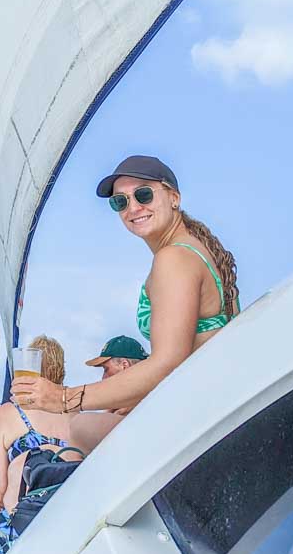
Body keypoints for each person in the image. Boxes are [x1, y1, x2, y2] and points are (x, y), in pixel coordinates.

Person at [13, 155, 240, 453]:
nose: (133, 207)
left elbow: (168, 361)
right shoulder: (197, 251)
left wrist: (64, 398)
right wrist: (131, 398)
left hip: (194, 414)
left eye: (144, 194)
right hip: (210, 401)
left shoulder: (174, 259)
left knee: (80, 427)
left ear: (173, 197)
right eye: (120, 202)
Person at [0, 335, 78, 554]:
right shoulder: (77, 415)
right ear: (61, 370)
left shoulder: (10, 412)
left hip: (21, 538)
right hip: (68, 536)